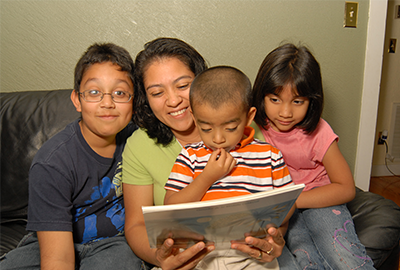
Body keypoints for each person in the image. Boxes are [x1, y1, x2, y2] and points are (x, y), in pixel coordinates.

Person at [122, 38, 299, 270]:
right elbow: (139, 223)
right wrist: (162, 258)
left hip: (248, 256)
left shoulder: (255, 141)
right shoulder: (158, 150)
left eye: (183, 85)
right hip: (192, 257)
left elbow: (278, 203)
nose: (173, 100)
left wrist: (273, 240)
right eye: (157, 92)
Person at [0, 43, 149, 269]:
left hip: (114, 244)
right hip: (53, 240)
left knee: (122, 261)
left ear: (133, 102)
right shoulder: (52, 163)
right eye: (94, 92)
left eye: (119, 93)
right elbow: (57, 258)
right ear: (77, 100)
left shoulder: (140, 142)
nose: (107, 103)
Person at [251, 43, 375, 269]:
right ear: (261, 96)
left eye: (297, 101)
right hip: (282, 213)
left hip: (319, 202)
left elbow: (346, 187)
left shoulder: (319, 132)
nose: (286, 113)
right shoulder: (253, 130)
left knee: (343, 256)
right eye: (275, 100)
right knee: (306, 259)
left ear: (312, 100)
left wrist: (293, 199)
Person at [164, 65, 295, 269]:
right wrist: (207, 177)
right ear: (194, 116)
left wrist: (263, 219)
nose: (218, 139)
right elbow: (171, 209)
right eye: (206, 128)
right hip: (199, 257)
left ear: (249, 117)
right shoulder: (190, 156)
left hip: (251, 256)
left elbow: (288, 205)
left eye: (230, 128)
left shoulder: (270, 155)